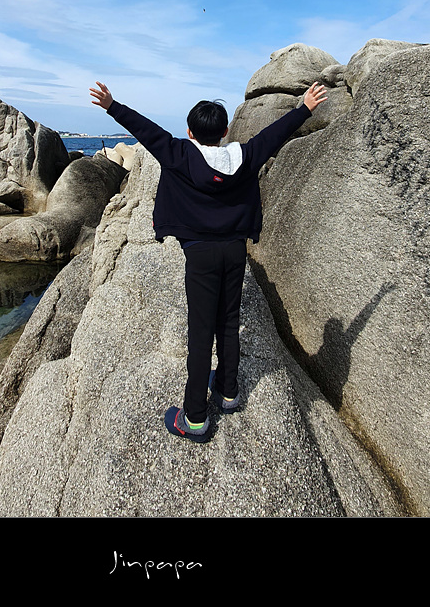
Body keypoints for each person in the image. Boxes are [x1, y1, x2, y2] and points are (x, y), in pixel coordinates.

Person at [89, 79, 328, 443]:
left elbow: (145, 130)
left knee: (201, 333)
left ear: (190, 132)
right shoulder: (244, 155)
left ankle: (195, 418)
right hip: (234, 250)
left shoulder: (179, 153)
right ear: (225, 131)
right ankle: (229, 393)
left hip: (200, 253)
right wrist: (305, 108)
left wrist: (111, 105)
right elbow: (274, 135)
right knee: (228, 323)